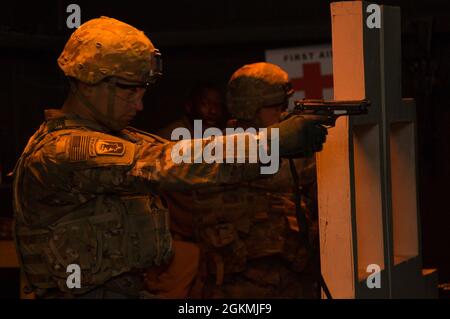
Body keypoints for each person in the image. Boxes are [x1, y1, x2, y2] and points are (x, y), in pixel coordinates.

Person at [12, 17, 327, 299]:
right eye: (129, 90)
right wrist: (270, 142)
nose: (139, 105)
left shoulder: (117, 136)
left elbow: (184, 152)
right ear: (89, 80)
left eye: (143, 91)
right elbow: (166, 160)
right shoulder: (62, 151)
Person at [161, 62, 320, 298]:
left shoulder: (286, 151)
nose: (283, 113)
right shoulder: (218, 152)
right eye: (276, 107)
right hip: (236, 288)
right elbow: (268, 172)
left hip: (292, 280)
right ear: (251, 107)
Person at [157, 83, 227, 140]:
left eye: (218, 105)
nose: (213, 111)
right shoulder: (170, 136)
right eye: (205, 104)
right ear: (189, 106)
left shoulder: (222, 135)